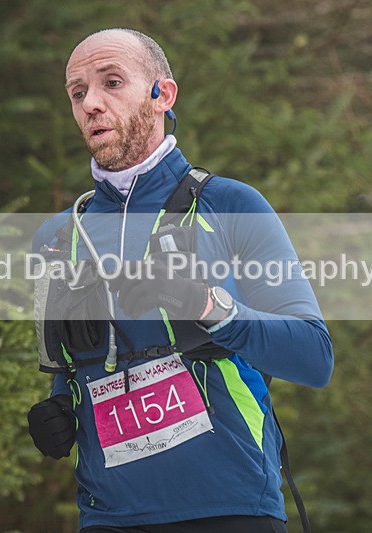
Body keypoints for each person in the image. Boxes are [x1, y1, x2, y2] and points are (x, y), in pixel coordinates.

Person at [28, 28, 334, 533]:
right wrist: (59, 410)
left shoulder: (231, 205)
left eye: (111, 82)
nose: (91, 104)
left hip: (232, 507)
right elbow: (71, 368)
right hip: (109, 516)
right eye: (78, 92)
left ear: (162, 94)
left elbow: (314, 357)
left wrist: (211, 308)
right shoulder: (58, 236)